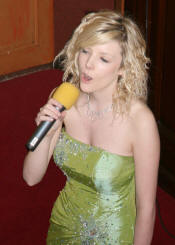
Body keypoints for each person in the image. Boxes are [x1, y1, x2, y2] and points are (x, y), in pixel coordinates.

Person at [23, 10, 160, 245]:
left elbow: (146, 208)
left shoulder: (140, 121)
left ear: (123, 68)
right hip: (64, 225)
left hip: (114, 236)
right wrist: (47, 133)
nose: (87, 64)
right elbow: (31, 178)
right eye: (85, 51)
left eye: (103, 59)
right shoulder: (64, 97)